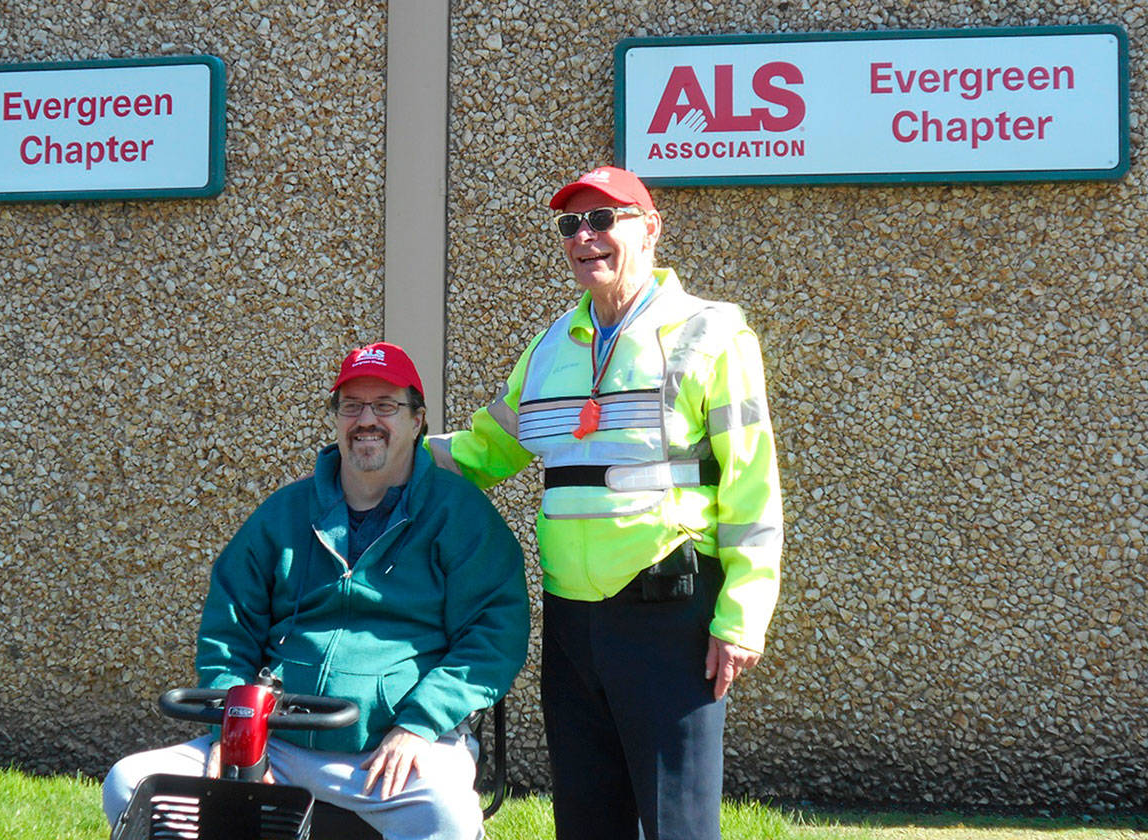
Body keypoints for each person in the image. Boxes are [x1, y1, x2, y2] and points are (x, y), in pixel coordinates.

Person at [427, 166, 782, 840]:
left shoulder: (711, 333)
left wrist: (741, 617)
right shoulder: (550, 347)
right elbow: (486, 448)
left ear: (650, 230)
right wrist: (393, 455)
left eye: (602, 219)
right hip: (571, 622)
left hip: (670, 614)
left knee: (677, 826)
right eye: (571, 224)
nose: (584, 236)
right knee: (586, 822)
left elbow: (752, 484)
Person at [103, 341, 530, 840]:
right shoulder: (283, 513)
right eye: (352, 406)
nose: (366, 420)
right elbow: (229, 630)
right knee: (129, 783)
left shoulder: (461, 515)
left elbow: (493, 636)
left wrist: (420, 724)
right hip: (275, 743)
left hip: (394, 750)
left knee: (447, 815)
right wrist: (231, 730)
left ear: (417, 421)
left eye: (385, 406)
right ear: (335, 418)